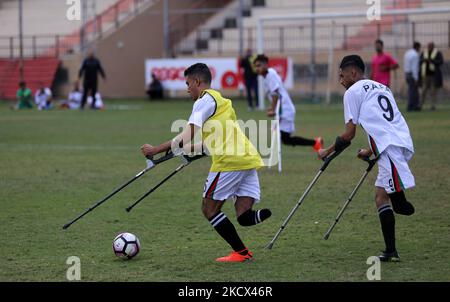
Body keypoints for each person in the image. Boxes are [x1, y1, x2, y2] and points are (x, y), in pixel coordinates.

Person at [140, 63, 271, 262]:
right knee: (243, 216)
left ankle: (242, 253)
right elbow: (210, 141)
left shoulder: (203, 101)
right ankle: (254, 223)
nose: (187, 89)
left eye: (188, 83)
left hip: (229, 162)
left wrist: (156, 149)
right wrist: (183, 150)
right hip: (247, 158)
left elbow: (187, 134)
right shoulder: (222, 101)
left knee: (209, 209)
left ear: (197, 81)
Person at [319, 55, 415, 262]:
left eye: (342, 76)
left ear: (353, 72)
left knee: (400, 205)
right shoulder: (382, 88)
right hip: (399, 142)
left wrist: (327, 151)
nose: (341, 81)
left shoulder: (352, 92)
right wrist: (370, 151)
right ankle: (391, 251)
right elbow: (382, 122)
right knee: (381, 197)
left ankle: (402, 204)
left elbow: (349, 135)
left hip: (389, 149)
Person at [253, 54, 323, 153]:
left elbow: (276, 95)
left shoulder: (270, 75)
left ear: (265, 65)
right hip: (283, 109)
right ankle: (315, 143)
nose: (257, 68)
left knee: (284, 138)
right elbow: (275, 95)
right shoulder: (268, 75)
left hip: (285, 110)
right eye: (256, 66)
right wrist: (272, 108)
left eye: (259, 65)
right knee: (285, 139)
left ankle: (316, 143)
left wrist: (273, 109)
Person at [420, 42, 444, 111]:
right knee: (423, 91)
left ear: (433, 46)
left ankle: (433, 106)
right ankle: (420, 105)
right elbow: (420, 60)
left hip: (434, 75)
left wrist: (432, 61)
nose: (429, 47)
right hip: (425, 75)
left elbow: (440, 61)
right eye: (428, 46)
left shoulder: (437, 53)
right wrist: (424, 60)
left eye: (431, 46)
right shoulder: (424, 52)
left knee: (433, 91)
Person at [403, 42, 421, 111]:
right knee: (413, 91)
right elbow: (415, 67)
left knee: (412, 90)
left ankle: (415, 106)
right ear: (417, 47)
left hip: (407, 73)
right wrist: (416, 78)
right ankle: (411, 106)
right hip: (412, 75)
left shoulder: (407, 53)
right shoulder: (415, 55)